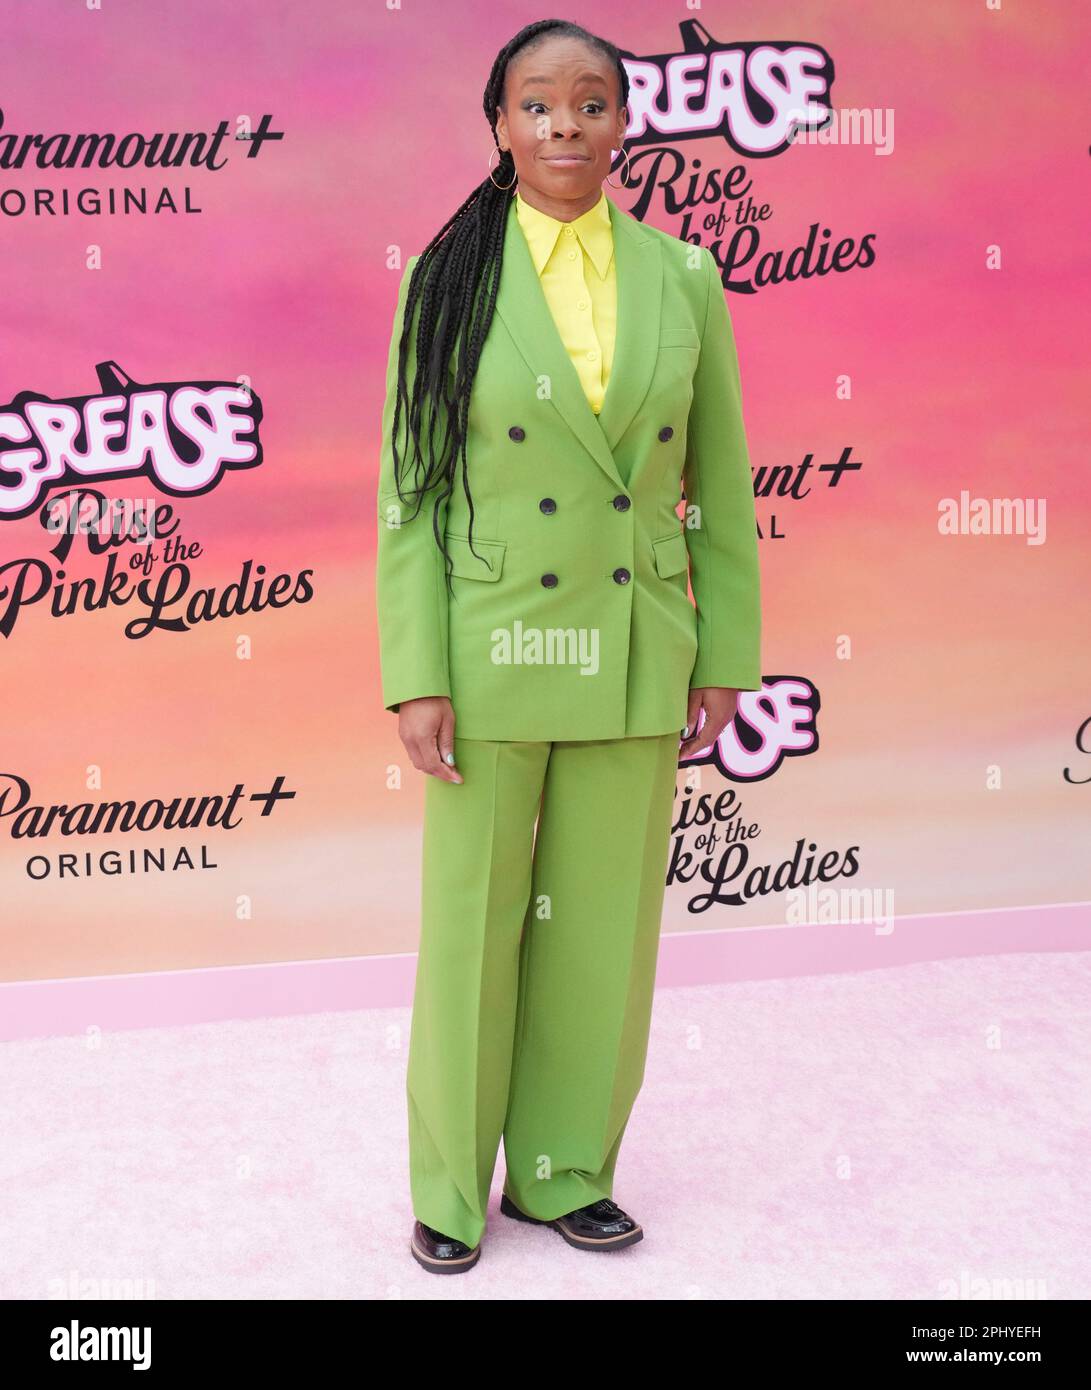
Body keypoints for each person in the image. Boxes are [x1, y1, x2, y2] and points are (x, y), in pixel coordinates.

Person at [375, 19, 761, 1274]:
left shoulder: (685, 278)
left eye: (590, 103)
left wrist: (723, 652)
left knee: (600, 925)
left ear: (622, 124)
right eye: (537, 105)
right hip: (490, 645)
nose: (564, 127)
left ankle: (563, 1169)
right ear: (498, 123)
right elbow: (408, 495)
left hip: (637, 636)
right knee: (473, 924)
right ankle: (448, 1185)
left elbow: (718, 486)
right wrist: (415, 673)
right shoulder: (446, 280)